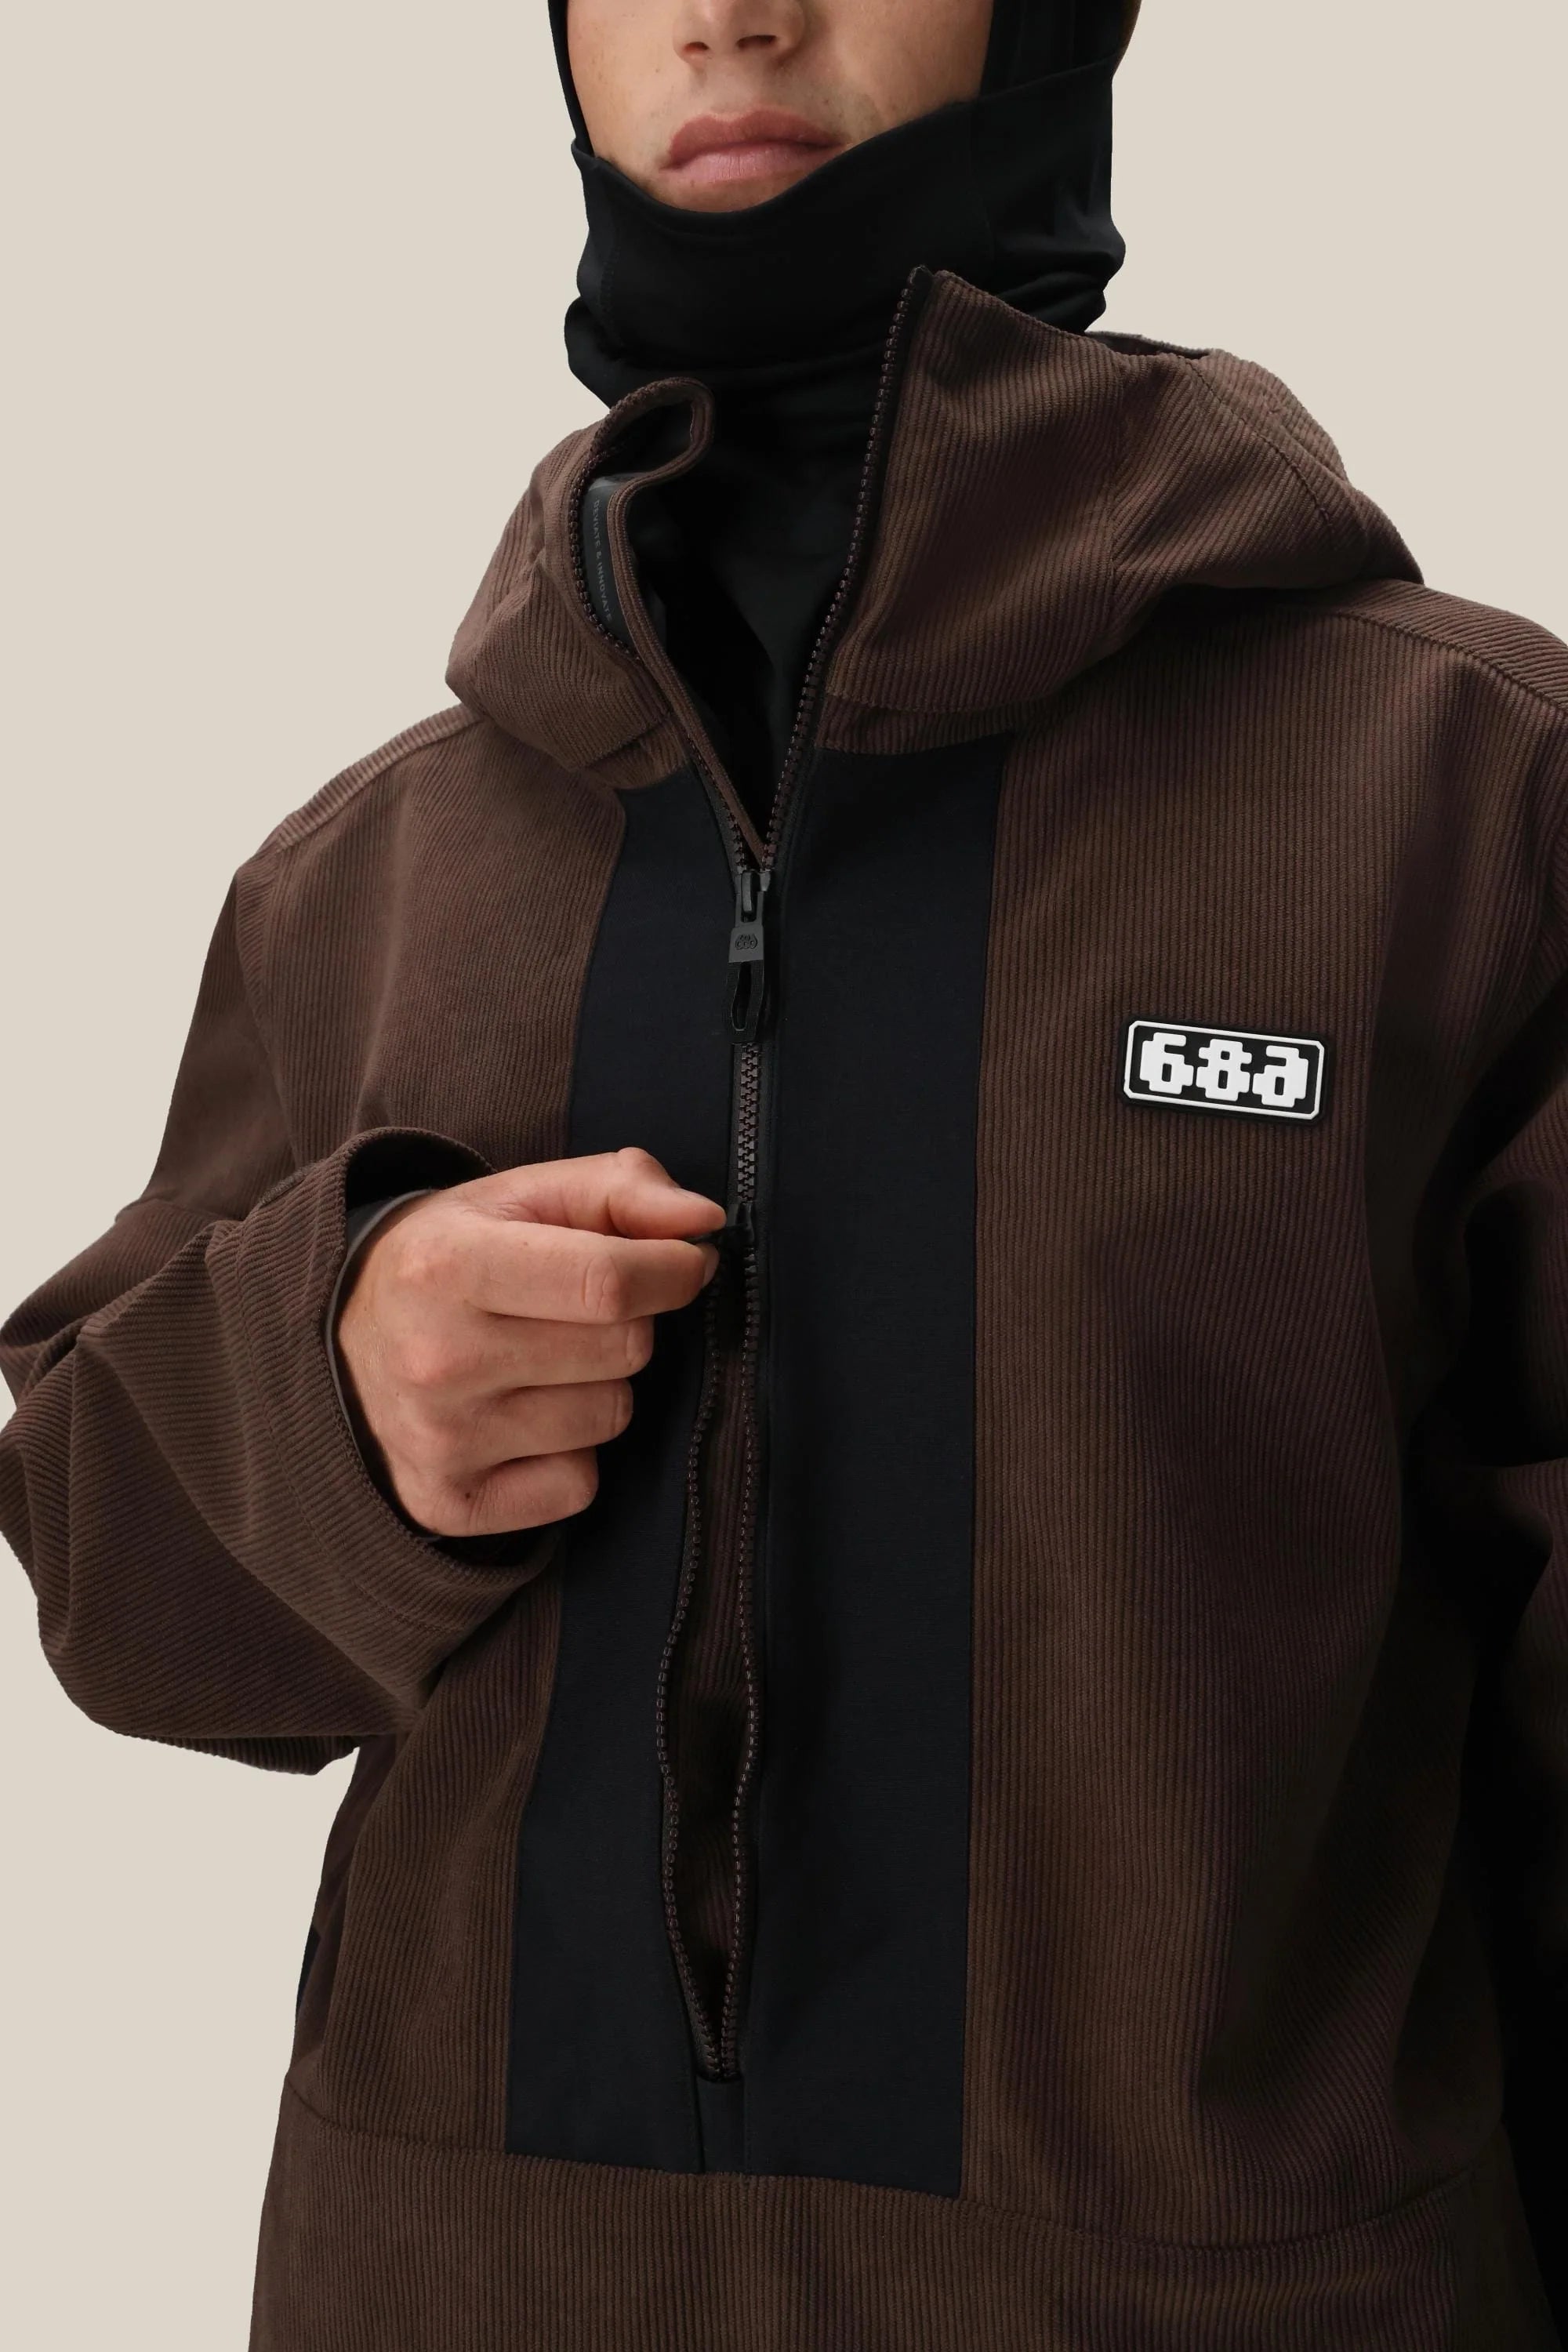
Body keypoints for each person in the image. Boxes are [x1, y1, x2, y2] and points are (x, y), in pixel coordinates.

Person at [2, 1, 1566, 2343]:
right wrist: (326, 1391)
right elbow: (126, 1606)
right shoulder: (381, 871)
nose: (730, 11)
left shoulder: (1466, 797)